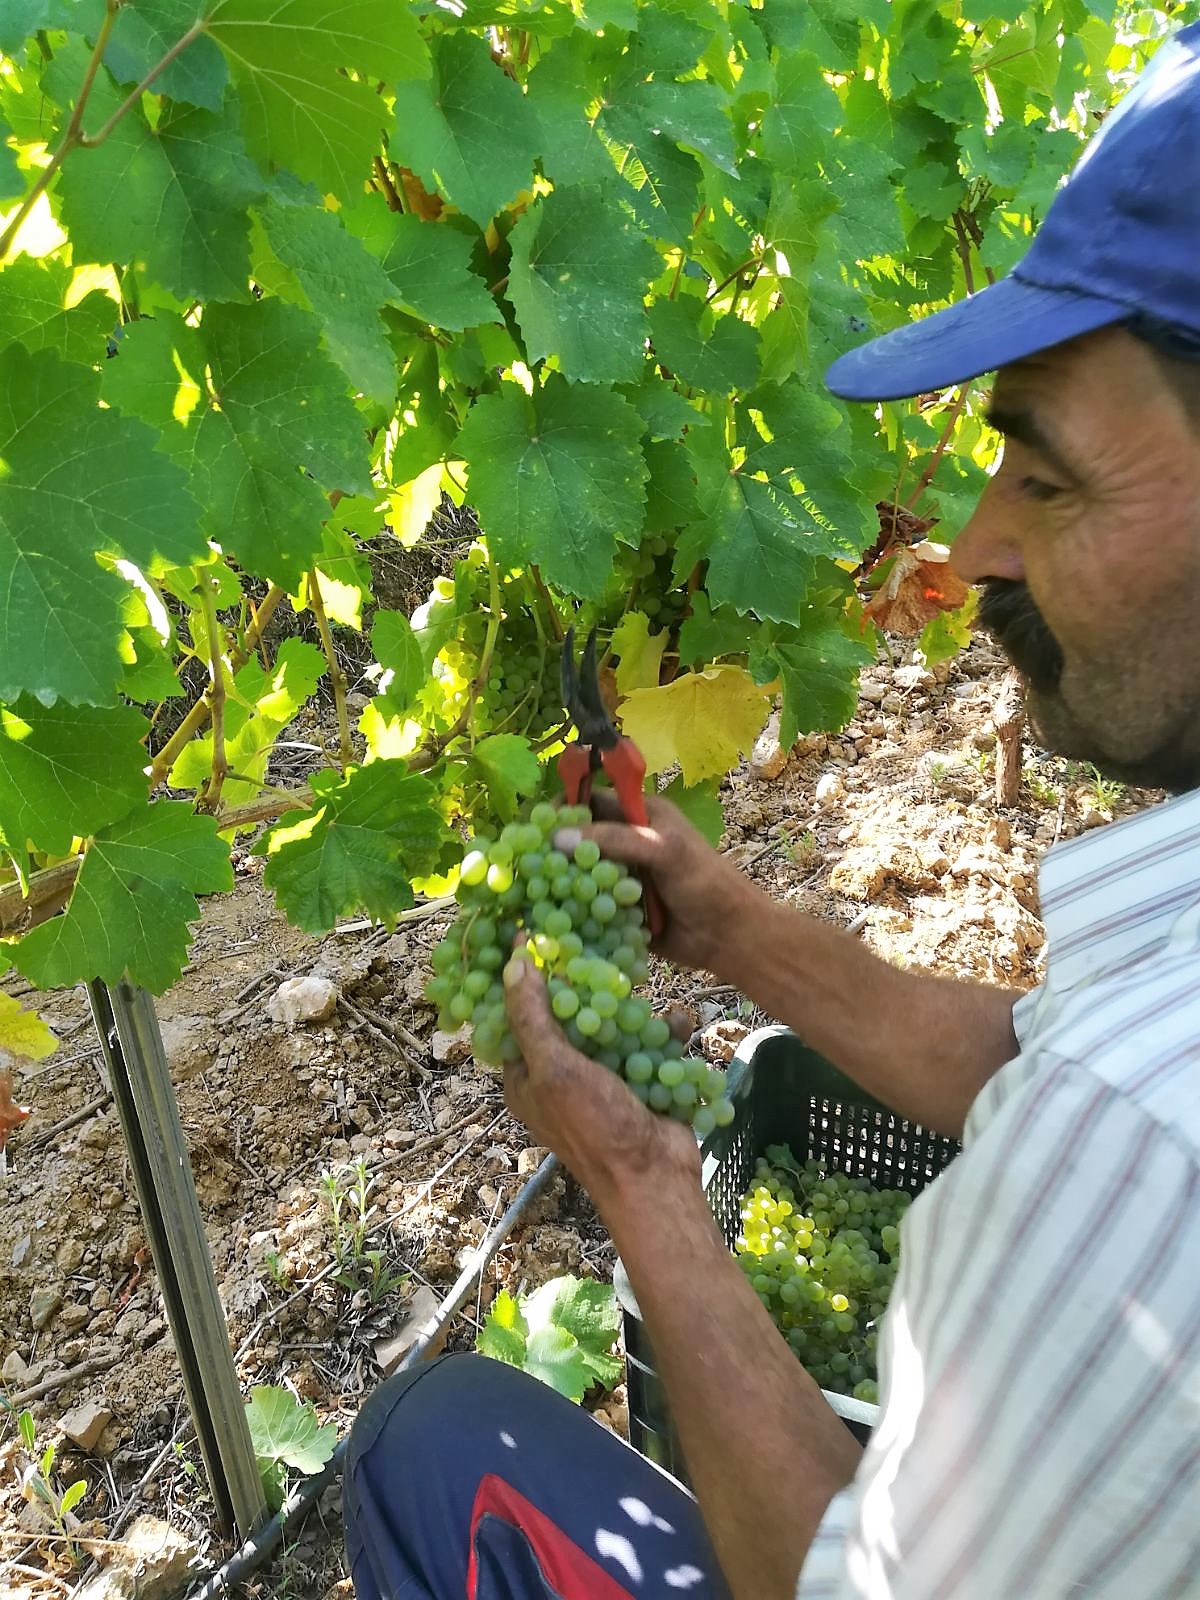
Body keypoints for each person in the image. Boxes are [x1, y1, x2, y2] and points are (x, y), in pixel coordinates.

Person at [344, 23, 1200, 1600]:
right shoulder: (1143, 1051)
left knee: (429, 1440)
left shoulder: (1146, 1150)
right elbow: (1036, 1067)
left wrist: (642, 1186)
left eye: (1052, 478)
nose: (971, 545)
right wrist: (738, 930)